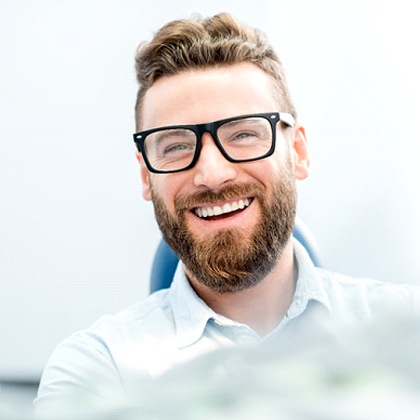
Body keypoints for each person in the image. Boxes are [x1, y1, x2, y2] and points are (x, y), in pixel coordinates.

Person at [34, 12, 420, 415]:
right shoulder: (98, 371)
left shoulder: (410, 331)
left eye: (244, 134)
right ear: (147, 177)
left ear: (299, 153)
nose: (213, 174)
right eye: (176, 145)